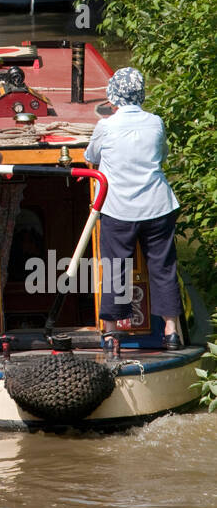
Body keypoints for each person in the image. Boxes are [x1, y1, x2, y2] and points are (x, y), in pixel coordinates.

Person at [83, 67, 183, 349]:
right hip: (158, 206)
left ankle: (112, 331)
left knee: (116, 268)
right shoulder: (156, 122)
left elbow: (91, 155)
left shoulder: (106, 126)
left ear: (113, 96)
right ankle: (171, 331)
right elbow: (161, 155)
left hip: (119, 209)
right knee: (163, 268)